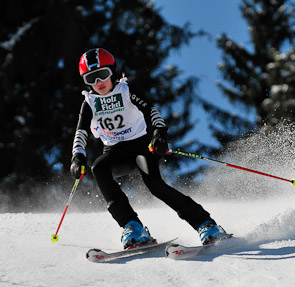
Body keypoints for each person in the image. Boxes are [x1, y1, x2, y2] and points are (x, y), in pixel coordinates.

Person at [70, 48, 227, 249]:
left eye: (103, 74)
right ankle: (132, 227)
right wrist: (77, 156)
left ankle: (206, 224)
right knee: (98, 168)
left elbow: (152, 111)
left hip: (140, 147)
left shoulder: (126, 91)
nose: (99, 82)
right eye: (92, 78)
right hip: (114, 153)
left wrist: (159, 134)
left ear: (113, 72)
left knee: (155, 186)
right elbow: (81, 132)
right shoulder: (89, 103)